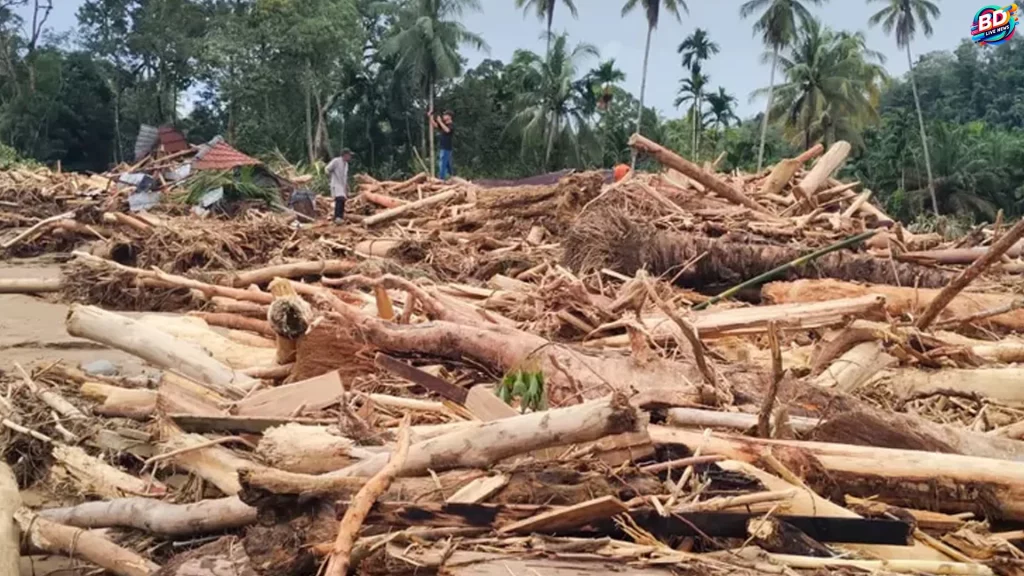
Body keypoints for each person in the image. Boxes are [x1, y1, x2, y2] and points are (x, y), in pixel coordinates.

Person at [325, 149, 352, 224]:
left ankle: (340, 217)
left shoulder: (346, 164)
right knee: (339, 199)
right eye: (349, 155)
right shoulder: (336, 161)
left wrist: (347, 188)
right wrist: (330, 176)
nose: (350, 157)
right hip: (336, 183)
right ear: (345, 155)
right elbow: (327, 169)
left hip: (342, 185)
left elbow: (345, 177)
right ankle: (337, 217)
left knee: (342, 200)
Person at [428, 108, 454, 180]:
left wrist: (440, 122)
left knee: (442, 164)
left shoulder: (451, 125)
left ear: (449, 117)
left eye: (445, 115)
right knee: (448, 165)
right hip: (443, 147)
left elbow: (447, 130)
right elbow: (435, 125)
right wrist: (430, 117)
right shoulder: (444, 125)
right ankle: (452, 177)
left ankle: (441, 179)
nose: (443, 116)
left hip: (446, 148)